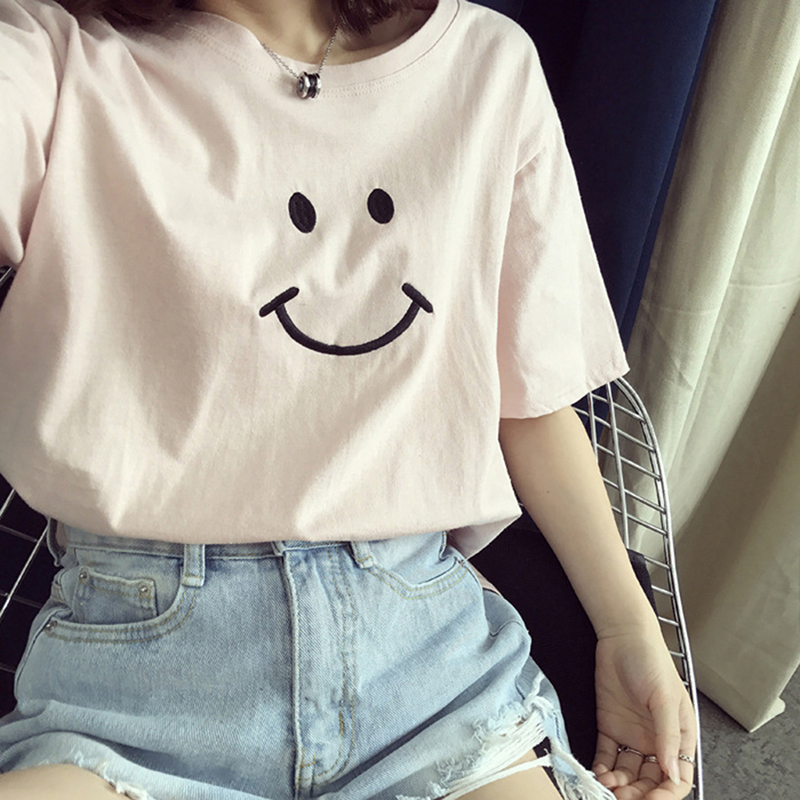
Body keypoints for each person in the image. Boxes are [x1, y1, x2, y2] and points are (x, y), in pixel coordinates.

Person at [0, 0, 697, 798]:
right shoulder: (56, 58)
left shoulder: (486, 65)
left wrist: (627, 629)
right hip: (130, 692)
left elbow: (528, 399)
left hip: (425, 678)